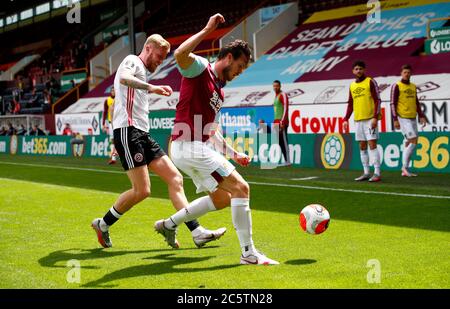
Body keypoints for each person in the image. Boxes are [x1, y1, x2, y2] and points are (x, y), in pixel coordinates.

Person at [156, 14, 279, 265]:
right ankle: (249, 253)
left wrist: (234, 153)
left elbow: (212, 130)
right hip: (187, 144)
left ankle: (169, 224)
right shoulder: (200, 68)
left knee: (223, 197)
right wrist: (206, 29)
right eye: (240, 66)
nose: (240, 72)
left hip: (192, 147)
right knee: (241, 188)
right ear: (229, 57)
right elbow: (180, 54)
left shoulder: (219, 92)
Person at [91, 34, 225, 249]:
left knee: (175, 179)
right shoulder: (132, 61)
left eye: (163, 59)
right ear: (148, 48)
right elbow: (124, 78)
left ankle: (196, 231)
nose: (160, 62)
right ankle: (103, 224)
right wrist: (151, 88)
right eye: (159, 57)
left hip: (142, 134)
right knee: (142, 190)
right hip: (128, 131)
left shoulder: (143, 71)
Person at [343, 60, 382, 182]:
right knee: (362, 145)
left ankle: (377, 172)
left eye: (360, 68)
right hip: (358, 120)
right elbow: (350, 103)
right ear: (353, 71)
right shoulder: (352, 85)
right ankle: (366, 172)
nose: (358, 71)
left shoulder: (370, 81)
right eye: (356, 69)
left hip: (370, 119)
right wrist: (346, 119)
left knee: (372, 144)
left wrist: (375, 116)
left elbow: (377, 100)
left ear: (364, 70)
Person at [390, 64, 427, 177]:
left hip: (412, 118)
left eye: (408, 72)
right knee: (413, 141)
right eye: (405, 72)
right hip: (403, 118)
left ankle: (404, 171)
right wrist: (395, 119)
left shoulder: (413, 86)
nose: (406, 74)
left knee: (408, 142)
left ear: (411, 73)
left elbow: (416, 102)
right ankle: (404, 167)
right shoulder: (396, 86)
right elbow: (392, 103)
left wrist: (421, 115)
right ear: (401, 73)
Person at [272, 80, 290, 166]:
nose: (275, 87)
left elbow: (286, 108)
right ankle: (286, 160)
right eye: (274, 86)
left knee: (284, 141)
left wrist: (282, 122)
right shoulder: (276, 96)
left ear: (280, 86)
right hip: (276, 122)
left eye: (277, 86)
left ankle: (288, 161)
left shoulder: (283, 95)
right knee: (280, 142)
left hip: (281, 122)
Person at [102, 86, 119, 164]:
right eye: (112, 90)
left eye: (114, 90)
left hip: (119, 122)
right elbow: (105, 112)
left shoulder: (119, 99)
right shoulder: (107, 100)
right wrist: (103, 124)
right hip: (111, 122)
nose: (113, 92)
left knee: (119, 139)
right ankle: (113, 158)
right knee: (112, 139)